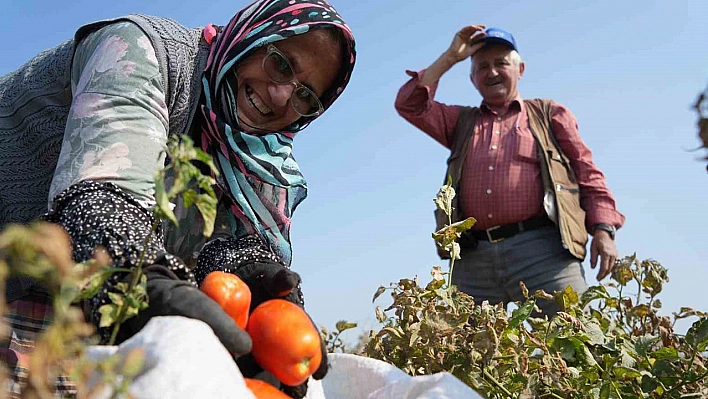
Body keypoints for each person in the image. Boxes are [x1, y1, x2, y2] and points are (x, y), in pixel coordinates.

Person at [0, 0, 356, 397]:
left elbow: (226, 246)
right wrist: (146, 281)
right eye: (281, 63)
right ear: (253, 37)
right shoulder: (142, 51)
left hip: (75, 300)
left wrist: (256, 286)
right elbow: (99, 199)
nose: (279, 95)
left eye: (306, 95)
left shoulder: (258, 158)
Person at [395, 25, 624, 317]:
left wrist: (603, 230)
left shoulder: (549, 114)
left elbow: (587, 172)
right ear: (472, 78)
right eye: (482, 67)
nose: (491, 72)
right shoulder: (460, 122)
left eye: (501, 63)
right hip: (472, 257)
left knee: (577, 340)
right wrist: (450, 57)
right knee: (466, 352)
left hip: (544, 252)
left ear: (520, 69)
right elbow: (409, 104)